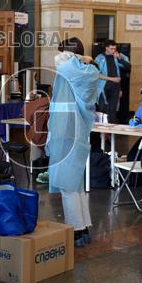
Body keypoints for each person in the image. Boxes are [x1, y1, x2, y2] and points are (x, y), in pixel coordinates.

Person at [47, 37, 100, 248]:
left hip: (67, 132)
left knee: (67, 185)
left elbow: (64, 63)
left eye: (63, 51)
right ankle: (84, 227)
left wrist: (79, 58)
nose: (59, 56)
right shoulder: (87, 72)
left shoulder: (81, 71)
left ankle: (76, 231)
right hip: (73, 132)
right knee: (75, 184)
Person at [94, 40, 130, 123]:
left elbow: (127, 67)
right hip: (102, 87)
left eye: (114, 49)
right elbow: (96, 74)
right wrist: (112, 79)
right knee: (102, 108)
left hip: (115, 87)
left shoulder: (117, 56)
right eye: (111, 49)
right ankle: (102, 132)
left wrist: (120, 58)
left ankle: (111, 133)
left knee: (113, 109)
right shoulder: (99, 58)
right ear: (106, 48)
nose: (113, 51)